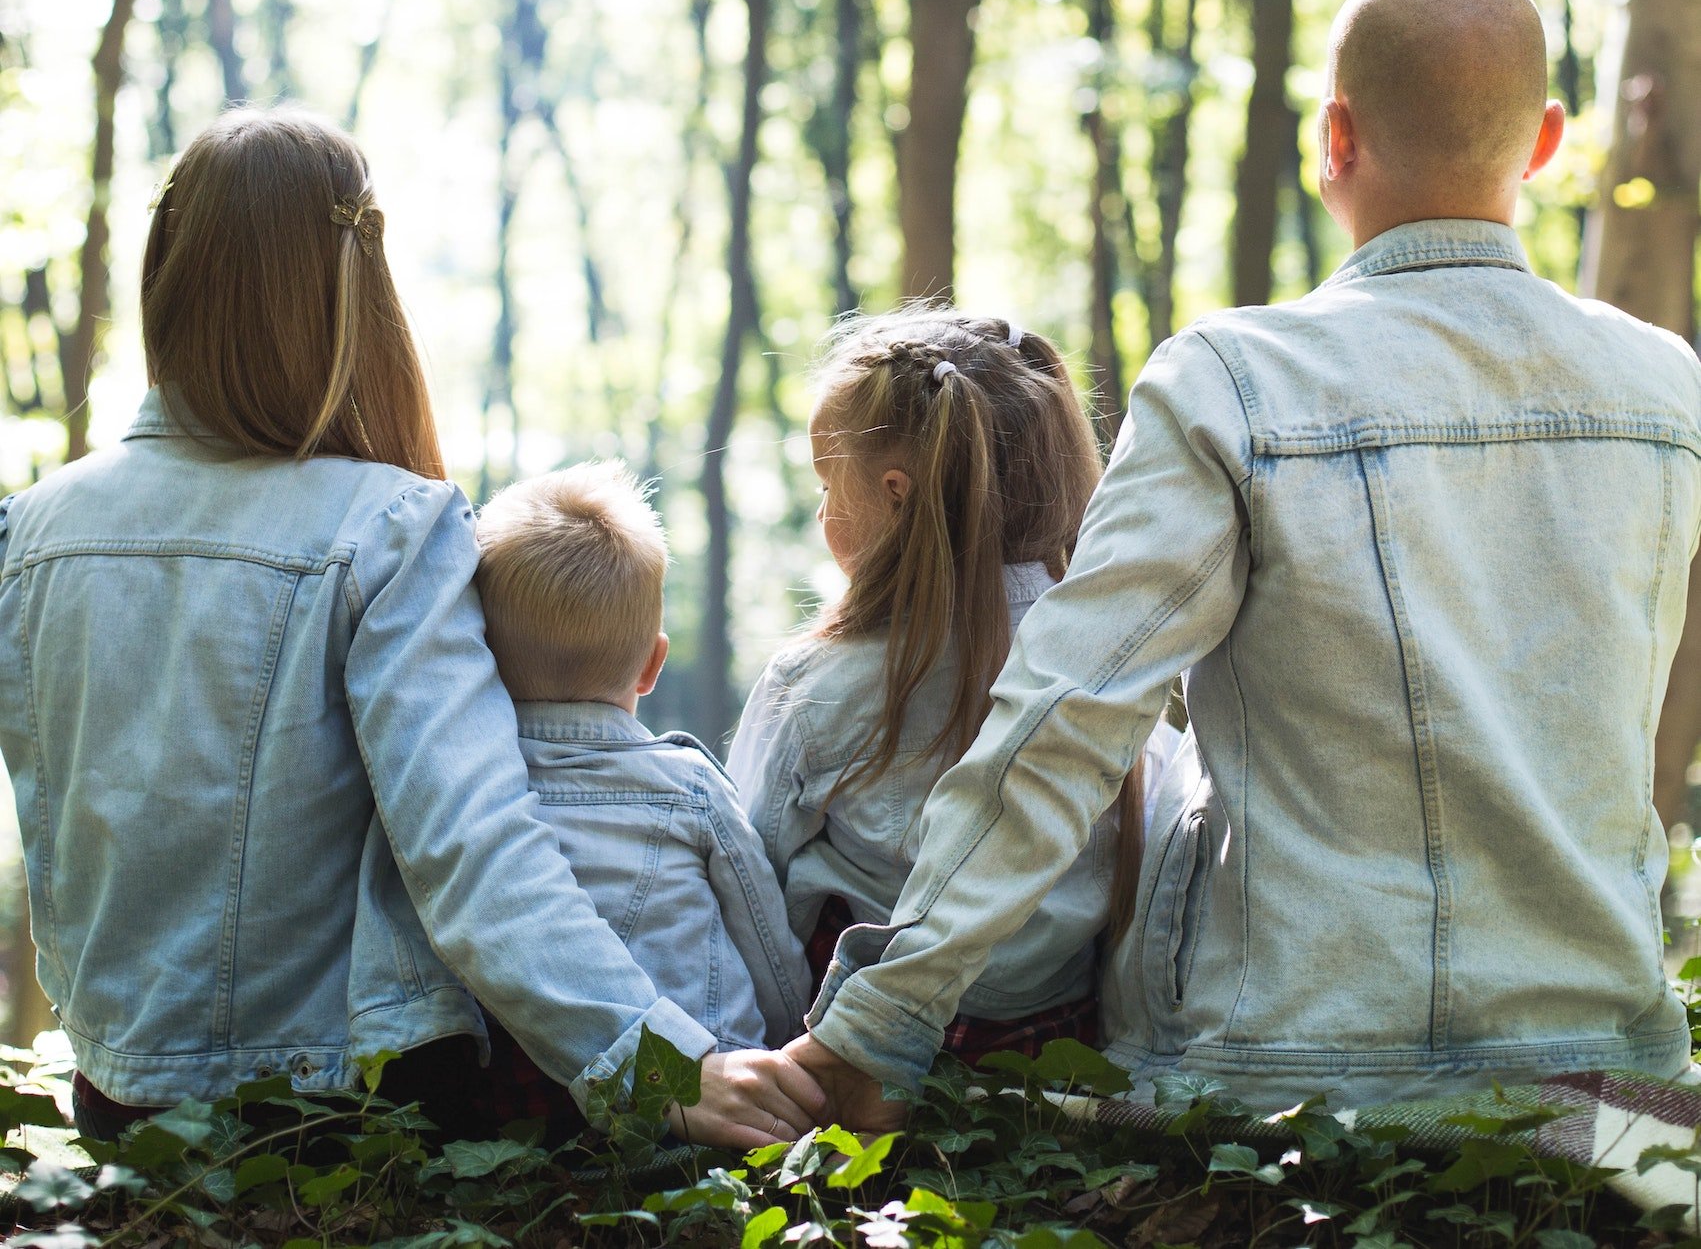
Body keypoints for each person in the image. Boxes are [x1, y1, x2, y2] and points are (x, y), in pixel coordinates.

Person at [786, 0, 1701, 1124]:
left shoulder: (1235, 382)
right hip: (1611, 1081)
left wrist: (880, 1024)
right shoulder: (1666, 389)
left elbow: (1067, 717)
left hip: (1286, 1074)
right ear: (1546, 144)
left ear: (1334, 137)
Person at [0, 107, 823, 1148]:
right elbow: (472, 848)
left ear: (166, 269)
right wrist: (659, 1065)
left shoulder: (28, 531)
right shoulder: (389, 527)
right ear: (355, 290)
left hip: (120, 1105)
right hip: (338, 1113)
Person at [728, 308, 1181, 1062]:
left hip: (848, 1054)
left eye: (827, 484)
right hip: (1056, 1052)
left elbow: (750, 881)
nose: (820, 511)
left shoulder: (813, 685)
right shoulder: (1115, 673)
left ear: (895, 494)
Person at [473, 460, 809, 1052]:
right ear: (653, 665)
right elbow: (767, 949)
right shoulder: (689, 789)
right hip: (708, 1077)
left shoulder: (464, 791)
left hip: (528, 1087)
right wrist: (788, 1039)